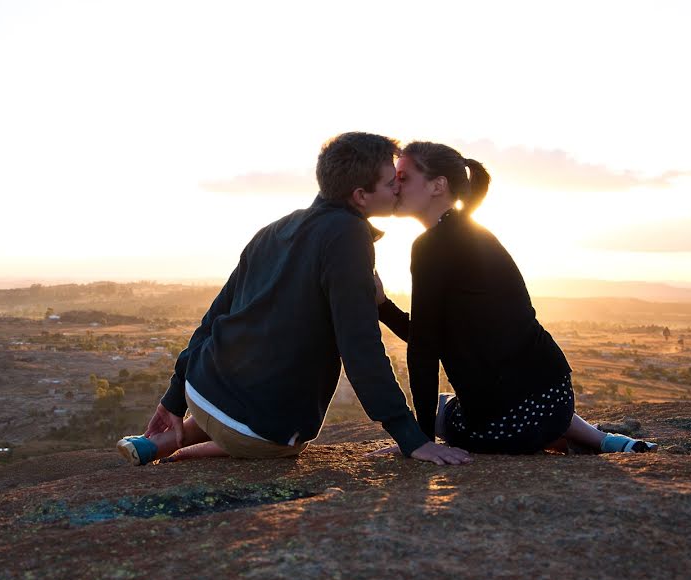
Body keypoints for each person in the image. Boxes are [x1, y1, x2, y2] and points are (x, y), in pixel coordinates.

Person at [117, 132, 473, 467]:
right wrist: (412, 438)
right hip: (258, 434)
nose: (398, 187)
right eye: (390, 181)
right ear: (361, 195)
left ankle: (167, 441)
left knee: (246, 401)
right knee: (288, 440)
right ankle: (219, 444)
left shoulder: (275, 228)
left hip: (199, 390)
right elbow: (361, 348)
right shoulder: (347, 236)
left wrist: (174, 399)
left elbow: (214, 318)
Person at [374, 141, 657, 455]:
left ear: (437, 185)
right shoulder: (476, 233)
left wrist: (420, 443)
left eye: (403, 178)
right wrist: (383, 306)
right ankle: (601, 440)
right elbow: (431, 336)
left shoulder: (431, 246)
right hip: (554, 398)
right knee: (475, 402)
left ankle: (581, 439)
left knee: (445, 415)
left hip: (507, 423)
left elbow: (425, 350)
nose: (394, 187)